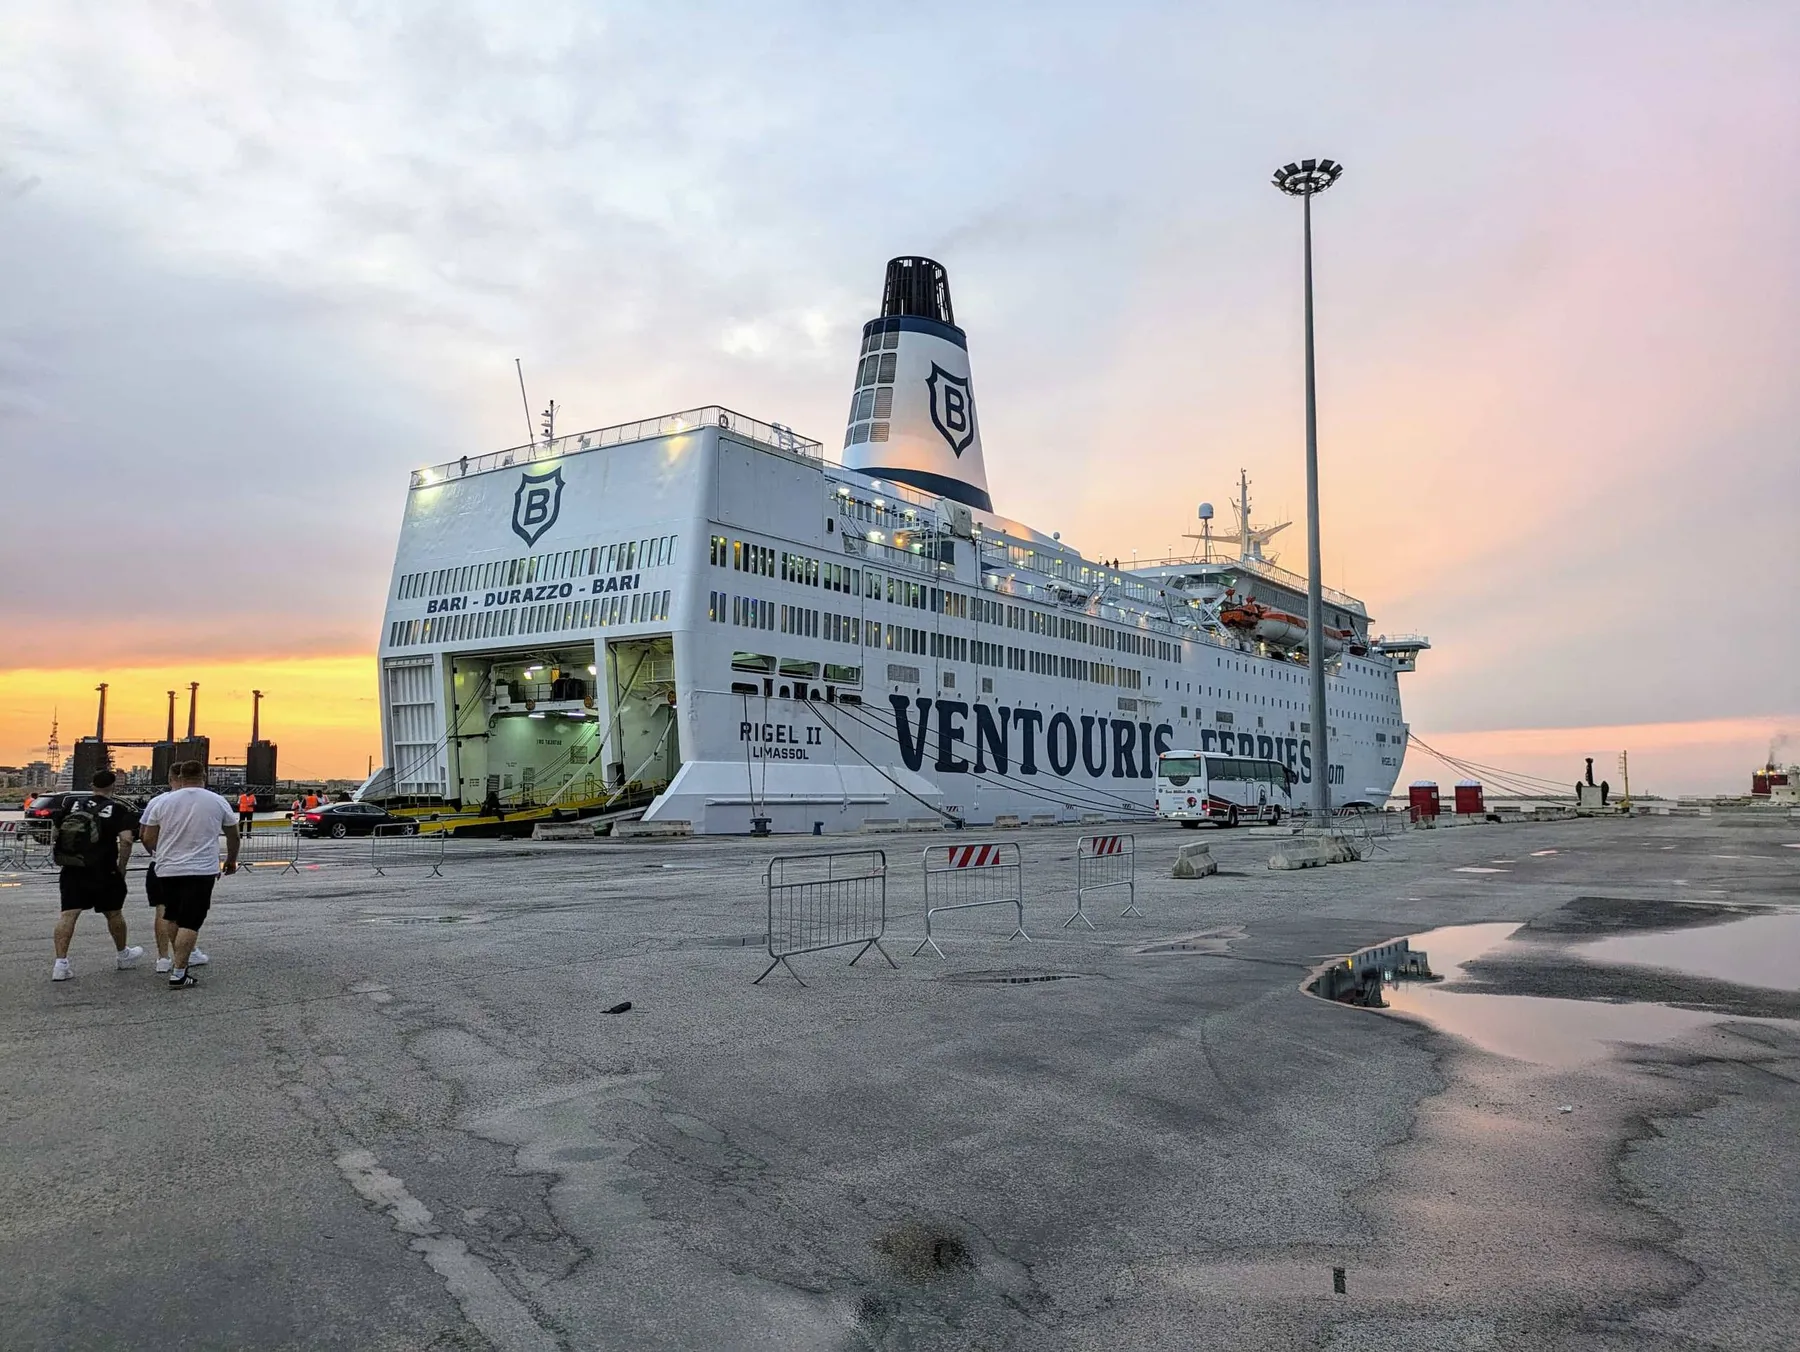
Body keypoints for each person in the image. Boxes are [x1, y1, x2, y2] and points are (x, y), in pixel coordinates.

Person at [139, 760, 237, 989]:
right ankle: (179, 972)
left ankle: (177, 959)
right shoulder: (217, 801)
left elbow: (147, 837)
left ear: (180, 776)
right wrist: (230, 860)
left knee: (172, 915)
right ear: (204, 776)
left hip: (167, 869)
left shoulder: (162, 802)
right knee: (191, 921)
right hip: (201, 870)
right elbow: (233, 835)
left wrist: (160, 853)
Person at [49, 769, 144, 982]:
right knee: (114, 913)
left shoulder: (73, 804)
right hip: (104, 870)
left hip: (73, 868)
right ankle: (122, 955)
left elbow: (56, 833)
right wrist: (122, 866)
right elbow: (127, 840)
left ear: (92, 785)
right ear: (113, 787)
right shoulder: (117, 809)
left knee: (68, 914)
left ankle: (60, 964)